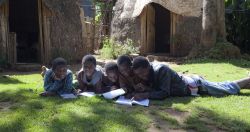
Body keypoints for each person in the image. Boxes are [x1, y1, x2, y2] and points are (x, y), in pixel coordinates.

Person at [131, 56, 250, 100]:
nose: (141, 77)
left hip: (196, 86)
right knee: (225, 86)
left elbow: (164, 93)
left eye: (142, 73)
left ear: (148, 66)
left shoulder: (161, 69)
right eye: (139, 75)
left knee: (228, 87)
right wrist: (146, 88)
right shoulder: (150, 72)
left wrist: (145, 95)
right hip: (191, 82)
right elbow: (159, 87)